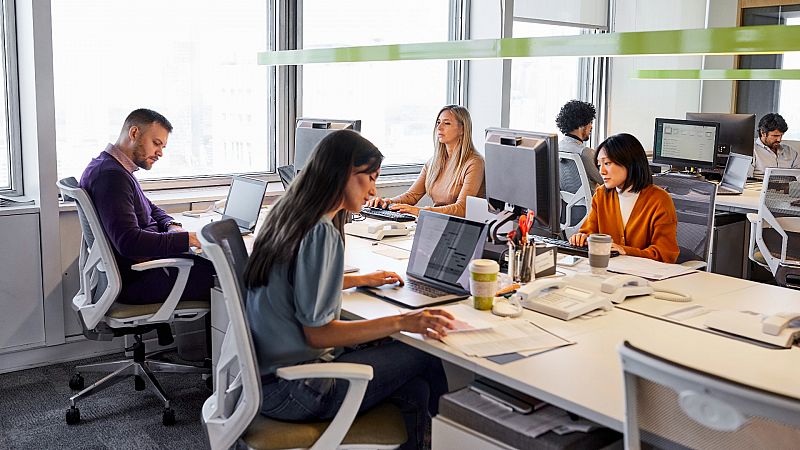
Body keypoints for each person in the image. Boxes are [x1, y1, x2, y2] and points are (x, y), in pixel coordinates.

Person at [244, 129, 454, 450]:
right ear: (342, 173)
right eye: (369, 177)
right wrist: (402, 322)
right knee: (422, 353)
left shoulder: (288, 214)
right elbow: (319, 334)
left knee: (412, 385)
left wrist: (358, 280)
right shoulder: (321, 233)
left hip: (261, 383)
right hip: (297, 391)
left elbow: (296, 282)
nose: (373, 188)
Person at [80, 108, 215, 305]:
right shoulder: (112, 177)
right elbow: (130, 243)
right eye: (156, 143)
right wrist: (188, 239)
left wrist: (172, 225)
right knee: (229, 279)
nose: (160, 153)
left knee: (215, 267)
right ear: (134, 133)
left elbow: (150, 208)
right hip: (139, 279)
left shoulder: (113, 168)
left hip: (144, 270)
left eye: (163, 147)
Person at [569, 133, 679, 263]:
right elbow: (589, 233)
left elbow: (665, 254)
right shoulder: (601, 195)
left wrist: (625, 250)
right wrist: (581, 238)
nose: (601, 171)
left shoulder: (659, 199)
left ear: (629, 162)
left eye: (607, 163)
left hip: (644, 277)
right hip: (608, 271)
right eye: (599, 165)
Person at [367, 105, 485, 217]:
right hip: (435, 222)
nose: (439, 127)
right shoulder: (433, 162)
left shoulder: (474, 163)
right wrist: (387, 202)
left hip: (461, 228)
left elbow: (462, 209)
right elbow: (412, 196)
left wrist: (422, 211)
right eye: (438, 122)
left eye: (447, 123)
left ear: (462, 129)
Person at [556, 99, 603, 188]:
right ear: (582, 124)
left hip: (567, 202)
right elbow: (604, 181)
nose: (591, 127)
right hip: (592, 201)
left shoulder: (557, 148)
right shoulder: (585, 153)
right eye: (590, 122)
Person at [751, 113, 799, 177]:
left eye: (781, 135)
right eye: (775, 136)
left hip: (787, 186)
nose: (779, 139)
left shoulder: (791, 152)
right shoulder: (752, 151)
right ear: (763, 133)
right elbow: (745, 181)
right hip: (759, 186)